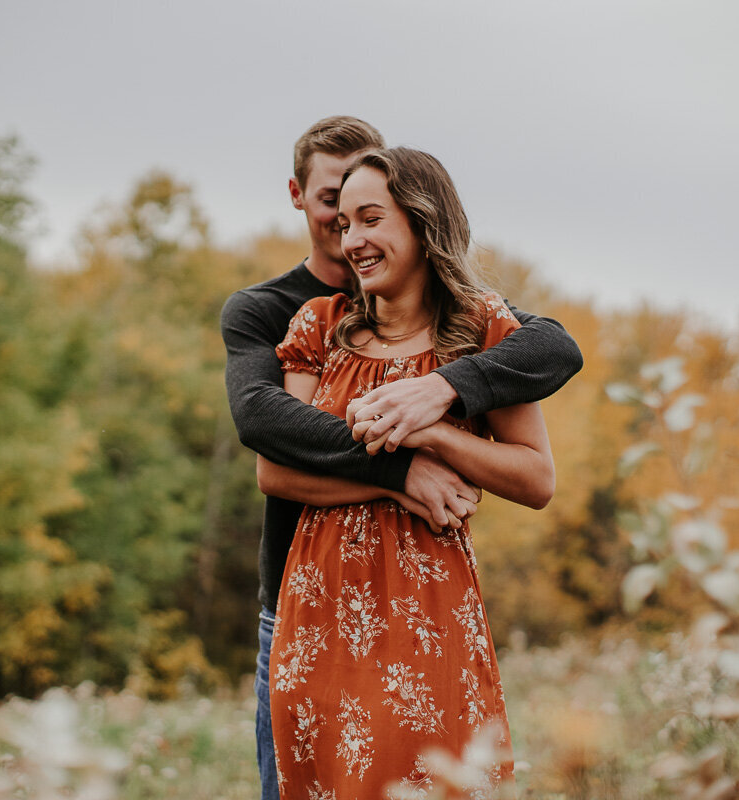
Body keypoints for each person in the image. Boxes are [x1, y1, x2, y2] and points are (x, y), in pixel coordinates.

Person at [219, 118, 582, 800]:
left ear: (421, 220)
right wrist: (398, 479)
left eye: (369, 219)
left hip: (427, 617)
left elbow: (536, 478)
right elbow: (274, 469)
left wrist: (437, 431)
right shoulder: (315, 326)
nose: (350, 238)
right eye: (343, 218)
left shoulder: (482, 333)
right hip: (315, 612)